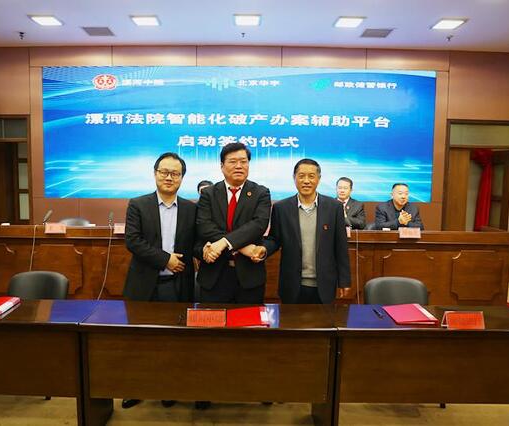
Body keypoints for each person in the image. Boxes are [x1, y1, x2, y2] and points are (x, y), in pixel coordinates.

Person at [122, 152, 196, 409]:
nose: (169, 177)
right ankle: (136, 389)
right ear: (155, 174)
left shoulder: (191, 209)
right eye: (164, 172)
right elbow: (133, 241)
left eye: (175, 173)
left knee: (172, 342)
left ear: (182, 178)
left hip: (177, 285)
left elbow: (196, 243)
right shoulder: (138, 204)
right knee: (139, 341)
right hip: (143, 285)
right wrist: (166, 260)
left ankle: (167, 388)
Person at [253, 159, 350, 303]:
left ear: (318, 179)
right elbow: (274, 239)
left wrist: (344, 280)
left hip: (324, 284)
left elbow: (341, 245)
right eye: (301, 176)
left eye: (311, 176)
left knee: (323, 318)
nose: (306, 181)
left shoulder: (334, 208)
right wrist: (264, 249)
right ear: (294, 178)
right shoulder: (281, 208)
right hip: (292, 284)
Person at [195, 142, 271, 304]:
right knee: (212, 320)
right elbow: (205, 227)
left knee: (248, 320)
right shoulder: (208, 194)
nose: (239, 166)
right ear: (222, 166)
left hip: (249, 278)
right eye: (233, 161)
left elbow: (258, 225)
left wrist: (224, 242)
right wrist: (241, 247)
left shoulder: (261, 193)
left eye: (243, 161)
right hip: (214, 276)